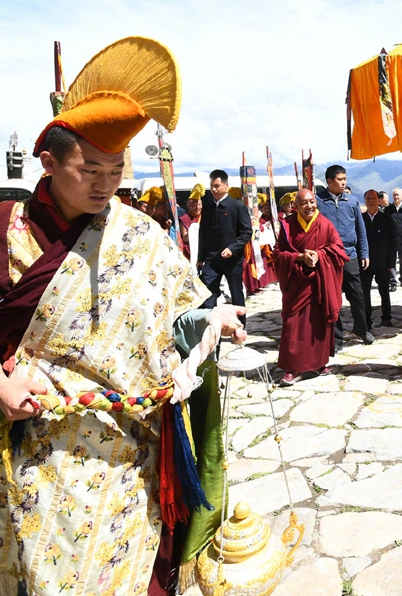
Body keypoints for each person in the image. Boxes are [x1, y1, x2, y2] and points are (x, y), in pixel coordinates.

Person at [0, 38, 246, 596]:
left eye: (115, 171)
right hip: (39, 444)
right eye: (89, 169)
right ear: (48, 163)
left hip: (130, 449)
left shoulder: (139, 233)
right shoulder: (6, 229)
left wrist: (214, 319)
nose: (105, 185)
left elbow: (184, 307)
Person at [274, 189, 349, 384]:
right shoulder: (288, 225)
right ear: (295, 206)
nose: (309, 206)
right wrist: (299, 257)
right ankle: (293, 368)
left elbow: (338, 250)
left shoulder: (325, 224)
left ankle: (319, 363)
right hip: (296, 285)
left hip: (319, 283)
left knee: (319, 324)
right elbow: (278, 254)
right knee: (293, 326)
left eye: (312, 202)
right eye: (304, 203)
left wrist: (318, 255)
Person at [316, 165, 373, 347]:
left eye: (345, 179)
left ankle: (362, 330)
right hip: (328, 257)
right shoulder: (318, 202)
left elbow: (360, 229)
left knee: (357, 295)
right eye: (339, 179)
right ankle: (336, 337)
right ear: (329, 181)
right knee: (332, 299)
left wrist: (364, 252)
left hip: (350, 255)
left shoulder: (352, 201)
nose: (343, 183)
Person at [197, 169, 253, 326]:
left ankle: (240, 325)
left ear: (226, 186)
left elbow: (246, 232)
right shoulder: (208, 206)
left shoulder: (236, 206)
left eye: (217, 186)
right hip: (211, 259)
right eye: (211, 186)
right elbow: (203, 233)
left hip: (232, 260)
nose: (214, 189)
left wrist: (233, 248)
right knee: (207, 292)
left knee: (236, 293)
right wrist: (200, 258)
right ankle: (209, 325)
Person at [361, 189, 397, 328]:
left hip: (383, 262)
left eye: (374, 198)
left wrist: (391, 262)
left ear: (378, 200)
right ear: (365, 200)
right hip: (365, 262)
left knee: (384, 291)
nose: (371, 200)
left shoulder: (387, 219)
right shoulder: (361, 219)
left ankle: (386, 317)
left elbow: (393, 242)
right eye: (368, 198)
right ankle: (366, 319)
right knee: (365, 292)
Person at [384, 187, 402, 289]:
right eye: (394, 195)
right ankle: (393, 281)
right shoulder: (388, 210)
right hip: (391, 241)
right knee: (392, 261)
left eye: (398, 195)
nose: (396, 197)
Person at [180, 183, 203, 261]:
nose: (197, 208)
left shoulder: (205, 217)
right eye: (194, 205)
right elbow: (185, 238)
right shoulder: (184, 219)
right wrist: (194, 230)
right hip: (190, 252)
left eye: (199, 205)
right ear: (188, 206)